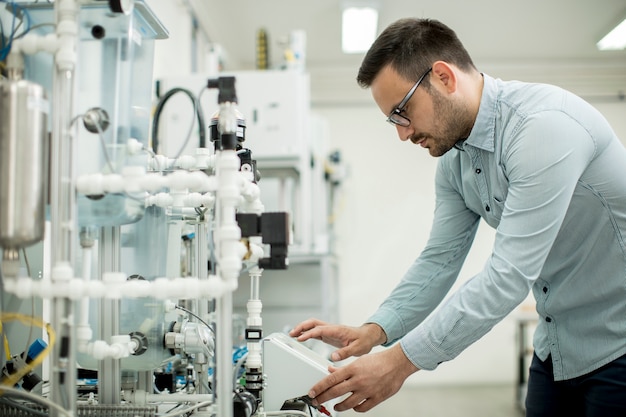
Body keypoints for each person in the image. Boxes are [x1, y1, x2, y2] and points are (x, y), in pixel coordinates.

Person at [289, 17, 626, 417]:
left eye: (403, 111)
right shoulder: (455, 160)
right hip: (557, 348)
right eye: (393, 120)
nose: (402, 133)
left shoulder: (543, 128)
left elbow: (506, 278)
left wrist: (399, 363)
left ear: (444, 77)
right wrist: (375, 331)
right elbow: (440, 259)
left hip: (618, 346)